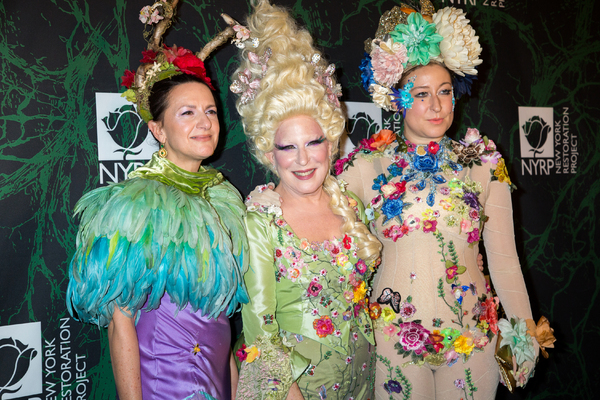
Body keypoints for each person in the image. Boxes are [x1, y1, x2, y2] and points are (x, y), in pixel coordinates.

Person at [334, 1, 545, 398]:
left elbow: (503, 257)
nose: (436, 105)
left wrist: (522, 329)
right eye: (422, 94)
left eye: (445, 92)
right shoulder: (367, 164)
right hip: (392, 340)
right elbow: (320, 224)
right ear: (397, 99)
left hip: (473, 339)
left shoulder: (483, 160)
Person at [66, 2, 247, 399]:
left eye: (211, 111)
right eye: (187, 113)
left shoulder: (225, 199)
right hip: (161, 383)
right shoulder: (134, 205)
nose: (204, 122)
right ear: (158, 129)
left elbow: (220, 322)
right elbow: (120, 323)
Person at [229, 1, 382, 399]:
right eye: (287, 147)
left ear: (331, 145)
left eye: (313, 142)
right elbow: (260, 329)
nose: (302, 159)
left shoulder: (350, 206)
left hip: (365, 380)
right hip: (294, 390)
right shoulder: (260, 220)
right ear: (268, 153)